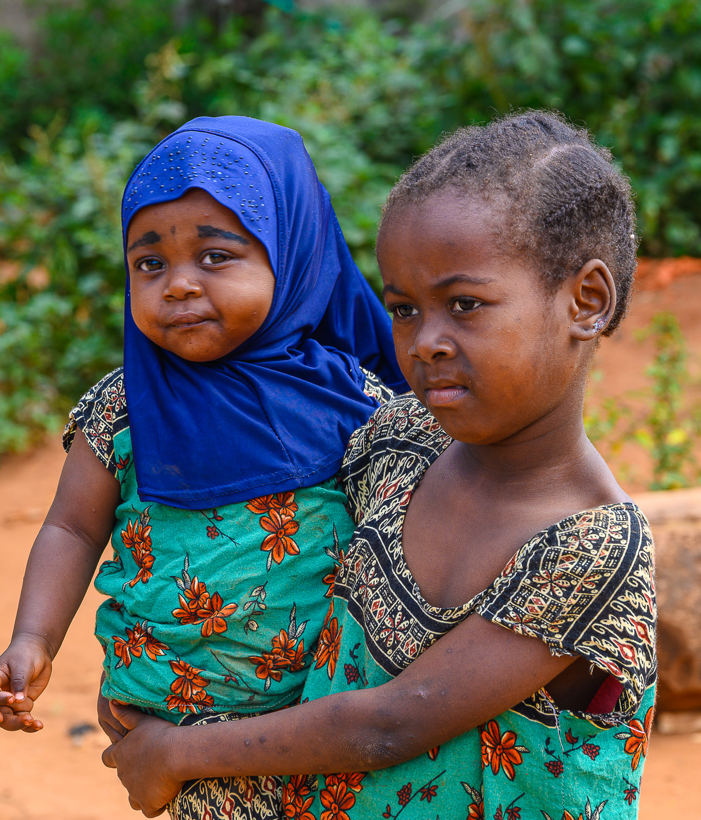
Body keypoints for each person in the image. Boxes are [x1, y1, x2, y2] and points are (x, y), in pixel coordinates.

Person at [100, 110, 657, 820]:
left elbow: (394, 720)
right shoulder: (395, 444)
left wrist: (175, 754)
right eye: (402, 309)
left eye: (465, 304)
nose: (426, 342)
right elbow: (266, 573)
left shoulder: (592, 544)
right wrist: (149, 670)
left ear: (586, 301)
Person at [0, 116, 407, 820]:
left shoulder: (356, 403)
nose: (177, 285)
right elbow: (72, 528)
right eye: (150, 263)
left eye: (215, 256)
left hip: (323, 731)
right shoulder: (124, 407)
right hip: (182, 739)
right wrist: (32, 638)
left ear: (292, 255)